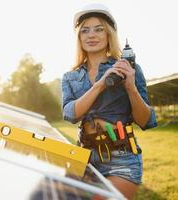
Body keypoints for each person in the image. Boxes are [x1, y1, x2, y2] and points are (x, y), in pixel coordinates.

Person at [61, 3, 157, 200]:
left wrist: (130, 87)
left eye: (99, 29)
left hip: (121, 159)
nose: (91, 35)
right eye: (85, 30)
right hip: (84, 156)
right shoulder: (70, 77)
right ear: (79, 37)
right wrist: (99, 85)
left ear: (109, 34)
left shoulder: (129, 68)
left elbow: (146, 121)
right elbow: (70, 114)